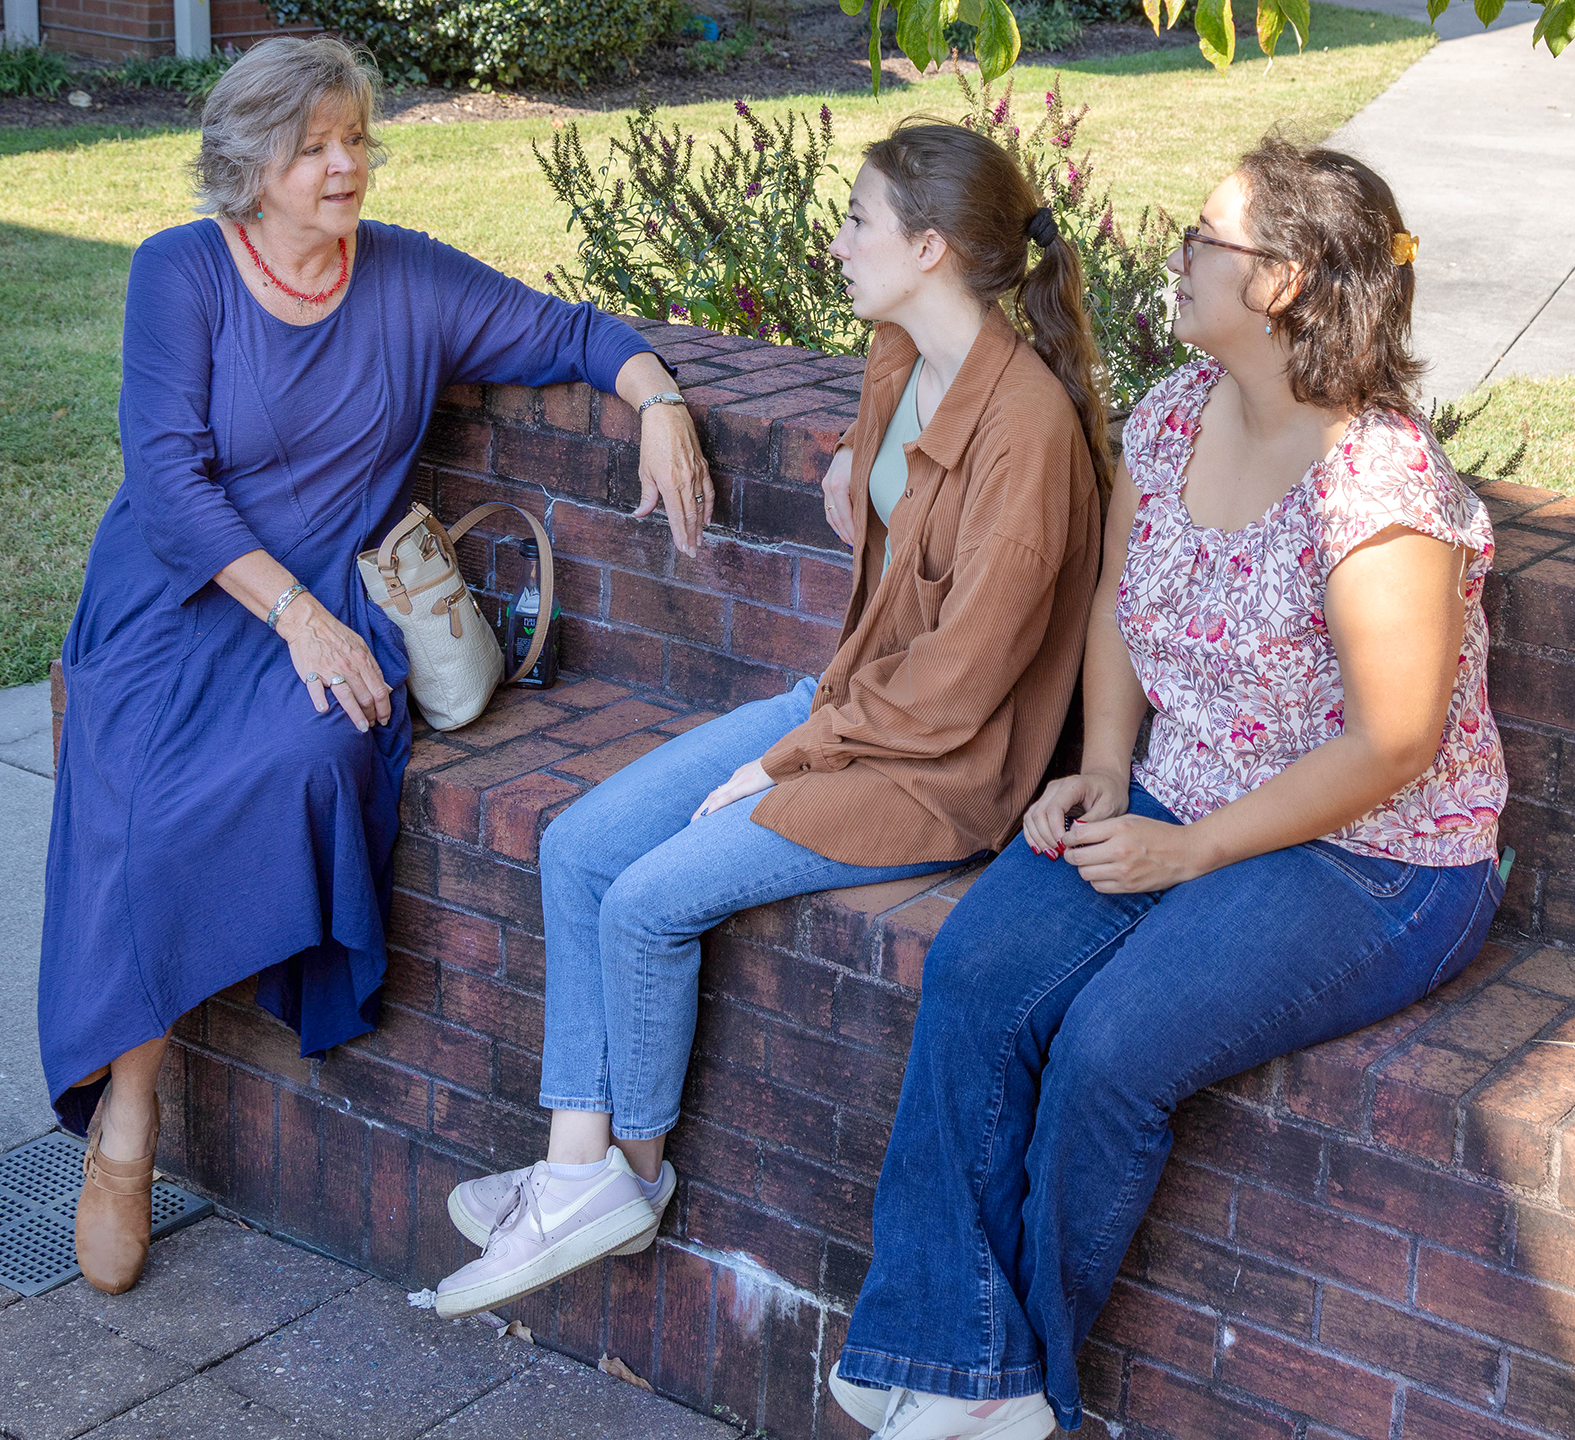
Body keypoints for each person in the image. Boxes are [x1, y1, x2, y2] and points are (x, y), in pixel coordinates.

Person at [828, 137, 1508, 1440]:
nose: (1176, 257)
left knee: (1108, 1048)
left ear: (1284, 284)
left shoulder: (1375, 486)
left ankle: (1016, 1382)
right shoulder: (1176, 411)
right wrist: (1097, 775)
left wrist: (1183, 856)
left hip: (1373, 857)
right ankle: (957, 1357)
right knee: (976, 970)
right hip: (1174, 794)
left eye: (1205, 240)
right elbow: (1114, 615)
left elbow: (1391, 743)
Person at [39, 34, 711, 1297]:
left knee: (315, 751)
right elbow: (166, 482)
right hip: (185, 593)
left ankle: (175, 1050)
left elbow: (566, 331)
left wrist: (658, 395)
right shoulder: (179, 273)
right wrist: (296, 615)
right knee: (132, 786)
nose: (348, 164)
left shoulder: (404, 280)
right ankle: (127, 1117)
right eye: (316, 148)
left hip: (319, 611)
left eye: (356, 139)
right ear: (251, 168)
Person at [431, 120, 1108, 1322]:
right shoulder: (903, 349)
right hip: (853, 705)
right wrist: (857, 461)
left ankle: (622, 1180)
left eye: (858, 221)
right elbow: (888, 471)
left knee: (647, 902)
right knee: (579, 845)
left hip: (937, 768)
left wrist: (785, 760)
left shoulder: (1032, 435)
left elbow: (959, 688)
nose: (836, 239)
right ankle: (574, 1172)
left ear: (935, 248)